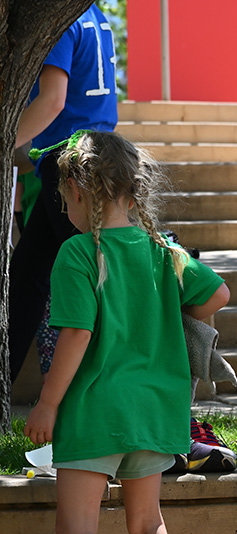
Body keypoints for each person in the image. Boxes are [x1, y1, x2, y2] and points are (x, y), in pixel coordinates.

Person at [23, 131, 230, 534]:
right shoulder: (166, 252)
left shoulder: (78, 252)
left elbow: (76, 334)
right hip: (156, 413)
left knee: (78, 530)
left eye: (63, 196)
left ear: (78, 189)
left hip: (95, 412)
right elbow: (218, 294)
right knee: (148, 526)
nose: (63, 207)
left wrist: (47, 404)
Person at [9, 3, 119, 384]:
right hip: (94, 156)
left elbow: (53, 100)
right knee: (28, 273)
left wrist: (6, 140)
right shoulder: (94, 14)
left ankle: (117, 384)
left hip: (71, 165)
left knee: (96, 282)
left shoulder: (60, 19)